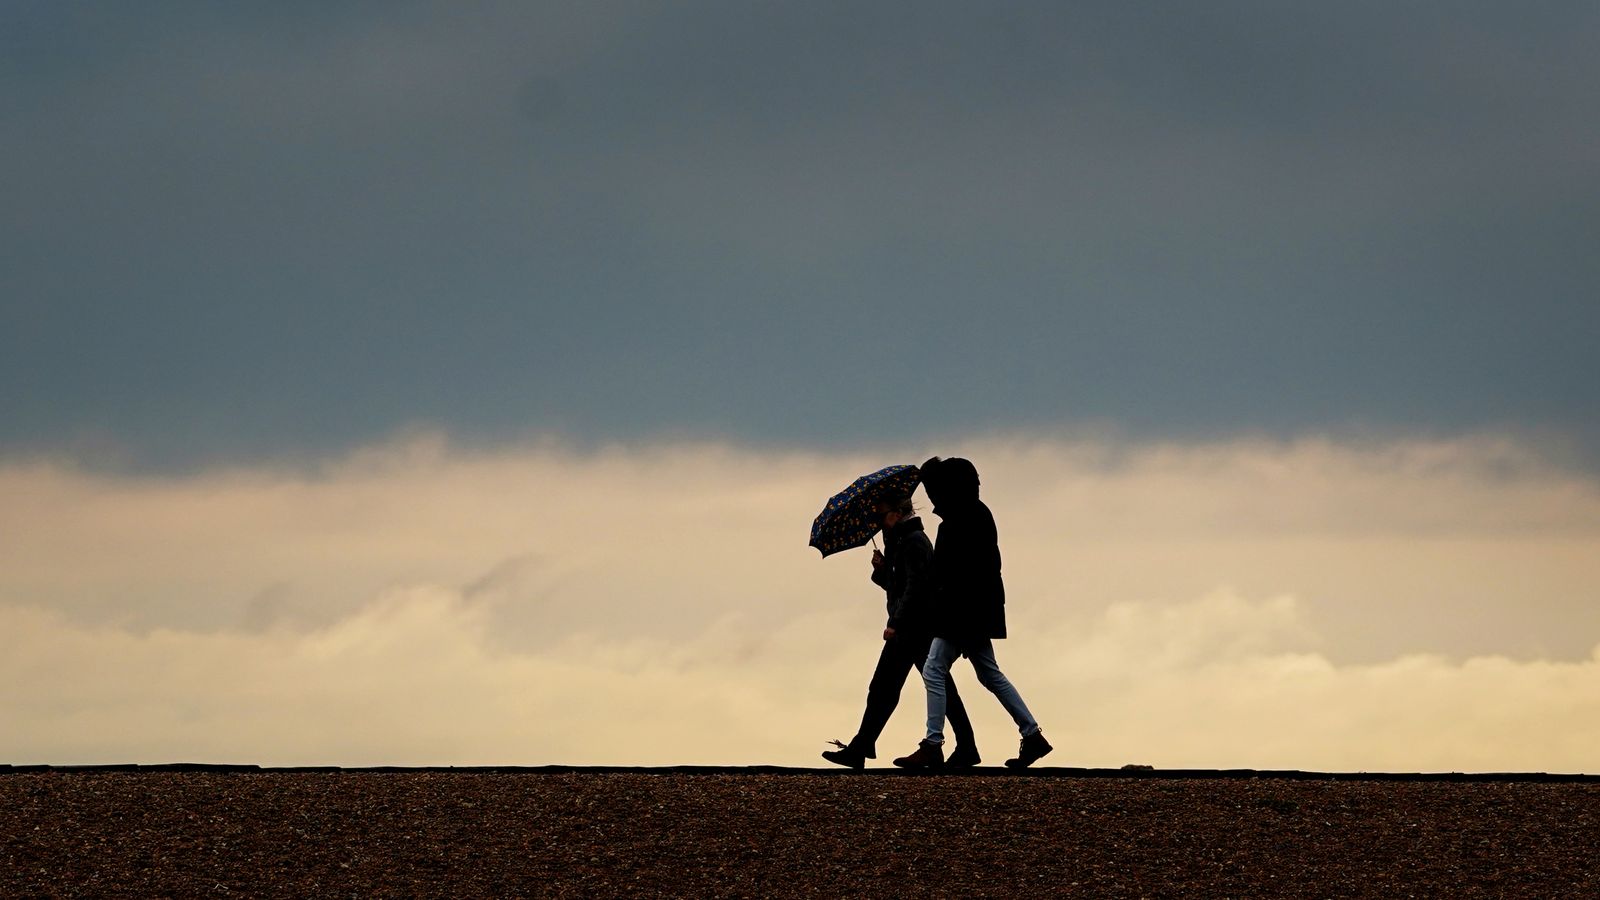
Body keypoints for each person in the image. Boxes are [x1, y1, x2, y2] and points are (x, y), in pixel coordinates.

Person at [893, 457, 1052, 770]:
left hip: (958, 612)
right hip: (977, 610)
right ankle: (1032, 734)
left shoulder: (954, 522)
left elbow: (945, 575)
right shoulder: (978, 515)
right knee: (989, 673)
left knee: (934, 669)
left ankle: (933, 743)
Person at [822, 494, 981, 769]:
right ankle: (965, 746)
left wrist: (895, 622)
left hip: (912, 628)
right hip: (915, 626)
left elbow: (916, 588)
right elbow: (900, 586)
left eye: (881, 515)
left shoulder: (913, 542)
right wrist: (882, 571)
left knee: (886, 687)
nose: (878, 521)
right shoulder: (904, 541)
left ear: (896, 513)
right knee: (931, 685)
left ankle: (861, 747)